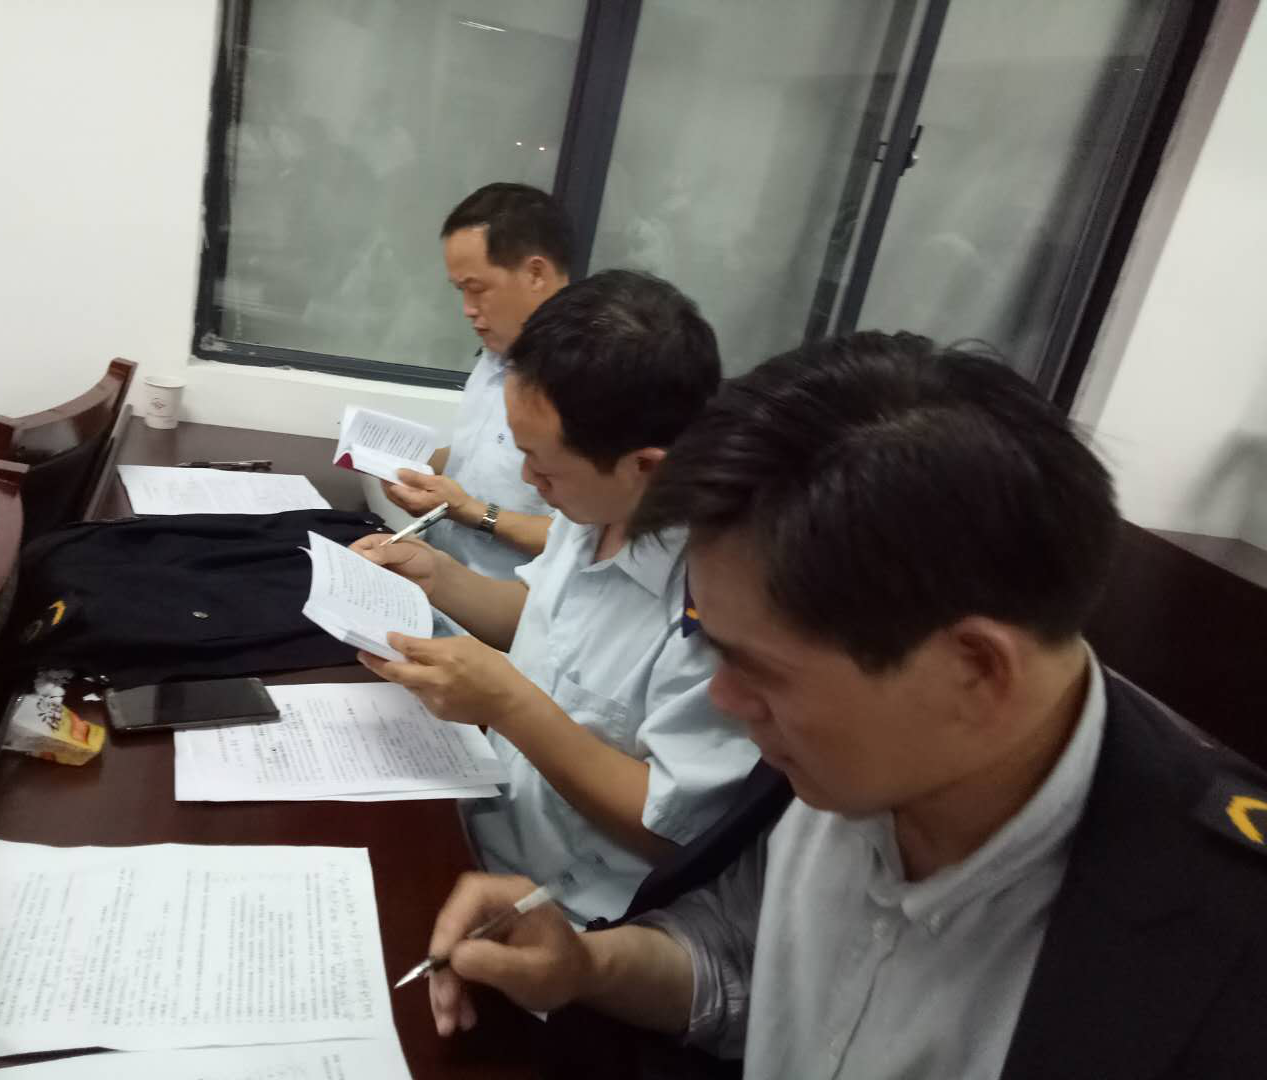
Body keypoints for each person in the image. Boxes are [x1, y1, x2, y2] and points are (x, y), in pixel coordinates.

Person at [419, 332, 1267, 1075]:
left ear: (974, 671)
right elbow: (746, 959)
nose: (723, 699)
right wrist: (585, 966)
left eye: (760, 670)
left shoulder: (1218, 971)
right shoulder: (849, 759)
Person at [353, 270, 760, 923]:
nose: (527, 478)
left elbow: (672, 829)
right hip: (484, 828)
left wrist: (509, 705)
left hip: (566, 915)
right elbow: (541, 619)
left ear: (644, 465)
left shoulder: (722, 602)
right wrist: (433, 575)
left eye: (543, 465)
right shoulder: (596, 506)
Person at [381, 183, 571, 578]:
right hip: (437, 570)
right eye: (460, 291)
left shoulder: (591, 379)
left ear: (535, 274)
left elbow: (584, 542)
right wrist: (408, 467)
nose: (468, 310)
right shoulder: (497, 353)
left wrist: (472, 512)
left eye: (477, 289)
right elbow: (480, 458)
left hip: (500, 599)